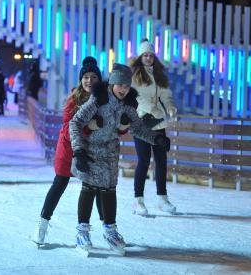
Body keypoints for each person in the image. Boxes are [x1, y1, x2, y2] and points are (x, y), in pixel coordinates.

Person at [69, 63, 170, 254]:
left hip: (111, 155)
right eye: (119, 85)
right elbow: (75, 122)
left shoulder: (128, 105)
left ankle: (110, 231)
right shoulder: (98, 99)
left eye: (126, 85)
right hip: (90, 152)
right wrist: (79, 150)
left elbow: (138, 128)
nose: (123, 89)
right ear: (112, 83)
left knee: (109, 191)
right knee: (88, 190)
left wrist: (156, 138)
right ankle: (82, 231)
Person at [34, 57, 106, 246]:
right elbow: (67, 128)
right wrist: (89, 125)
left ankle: (108, 228)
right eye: (86, 77)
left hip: (92, 152)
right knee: (59, 185)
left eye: (93, 77)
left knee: (97, 188)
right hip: (69, 150)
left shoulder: (104, 99)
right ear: (81, 79)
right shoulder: (74, 98)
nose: (89, 81)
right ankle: (42, 225)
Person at [129, 39, 178, 216]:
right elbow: (133, 97)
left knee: (161, 159)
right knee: (143, 159)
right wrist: (150, 107)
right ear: (140, 57)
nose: (148, 58)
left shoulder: (159, 75)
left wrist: (170, 106)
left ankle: (162, 198)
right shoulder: (134, 75)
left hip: (157, 121)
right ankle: (138, 200)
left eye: (150, 55)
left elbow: (166, 95)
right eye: (145, 55)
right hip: (141, 122)